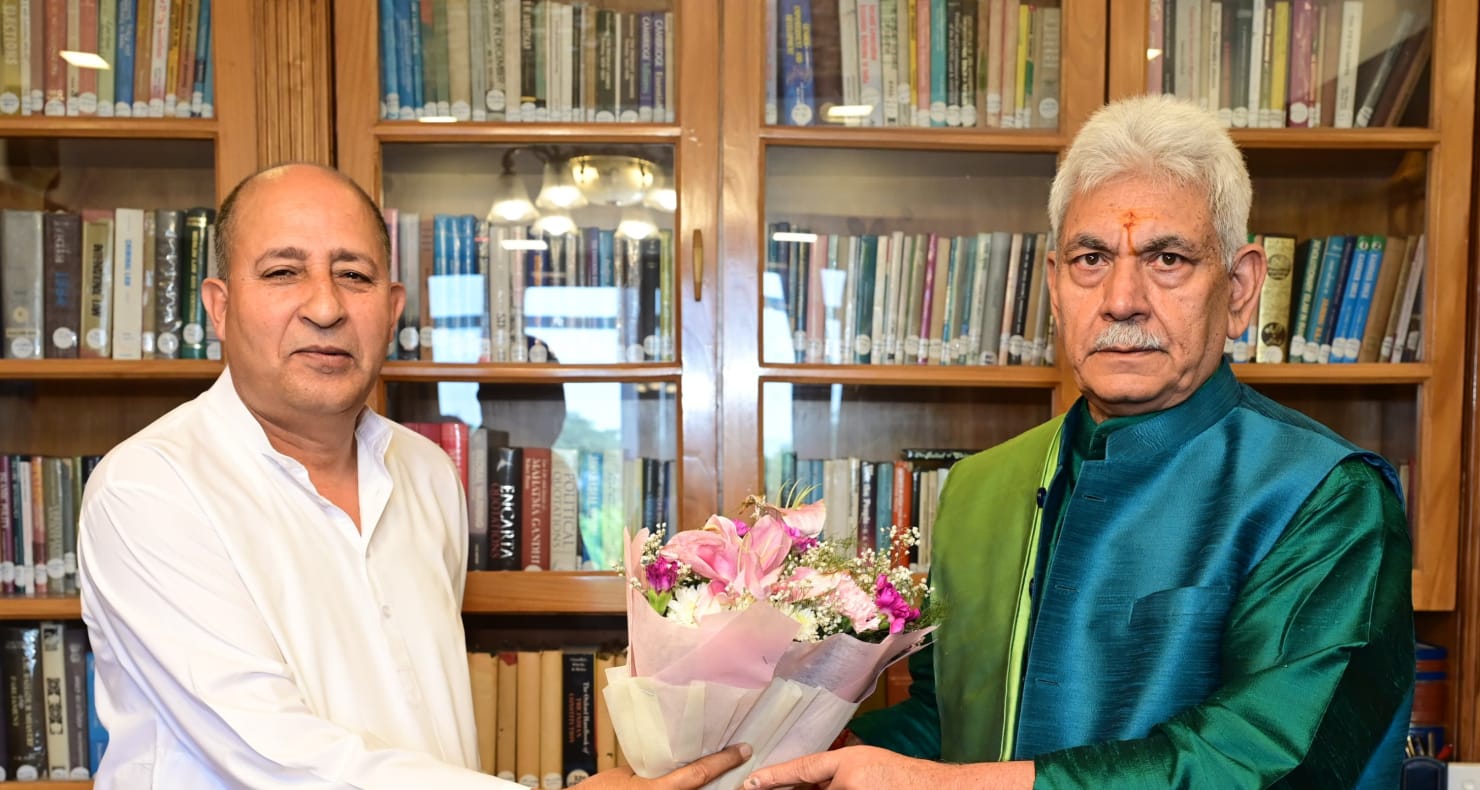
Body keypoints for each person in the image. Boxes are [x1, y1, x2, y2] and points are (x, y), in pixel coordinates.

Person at [746, 94, 1414, 789]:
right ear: (1055, 287)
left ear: (1241, 289)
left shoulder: (1325, 496)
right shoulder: (980, 488)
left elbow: (1270, 760)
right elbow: (950, 725)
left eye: (1168, 258)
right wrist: (775, 756)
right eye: (1091, 258)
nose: (1122, 299)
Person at [78, 162, 747, 788]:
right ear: (219, 307)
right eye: (283, 272)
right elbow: (267, 751)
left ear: (393, 308)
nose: (325, 307)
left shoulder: (427, 472)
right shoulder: (149, 489)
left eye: (355, 275)